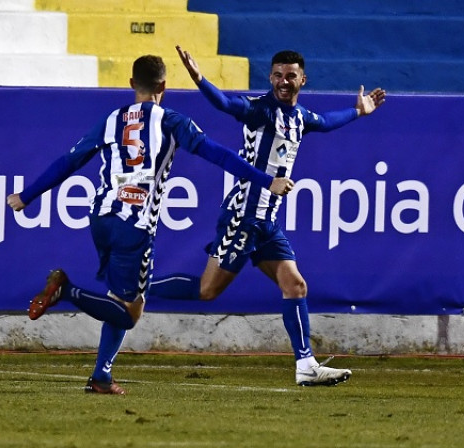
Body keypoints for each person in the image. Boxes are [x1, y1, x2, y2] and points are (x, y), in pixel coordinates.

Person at [7, 54, 294, 395]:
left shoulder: (111, 119)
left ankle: (101, 376)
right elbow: (219, 154)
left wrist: (27, 195)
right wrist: (265, 180)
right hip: (136, 224)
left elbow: (68, 161)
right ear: (164, 86)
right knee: (129, 312)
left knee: (119, 298)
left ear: (132, 84)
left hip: (100, 218)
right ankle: (66, 290)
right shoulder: (171, 120)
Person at [148, 46, 386, 387]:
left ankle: (306, 365)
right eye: (277, 75)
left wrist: (358, 111)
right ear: (270, 77)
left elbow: (327, 121)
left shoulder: (299, 117)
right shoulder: (260, 110)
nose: (283, 82)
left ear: (303, 79)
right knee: (207, 291)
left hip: (266, 223)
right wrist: (200, 79)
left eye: (290, 76)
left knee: (295, 285)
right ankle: (137, 288)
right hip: (243, 216)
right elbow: (227, 104)